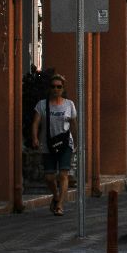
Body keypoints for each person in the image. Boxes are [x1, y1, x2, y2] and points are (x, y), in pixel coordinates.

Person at [29, 74, 77, 216]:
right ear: (49, 88)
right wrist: (35, 138)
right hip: (48, 144)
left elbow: (74, 124)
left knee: (63, 174)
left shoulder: (69, 104)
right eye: (53, 86)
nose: (56, 89)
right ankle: (56, 196)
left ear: (63, 89)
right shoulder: (42, 105)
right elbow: (35, 123)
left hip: (65, 144)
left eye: (59, 87)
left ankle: (60, 205)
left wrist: (76, 141)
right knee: (49, 177)